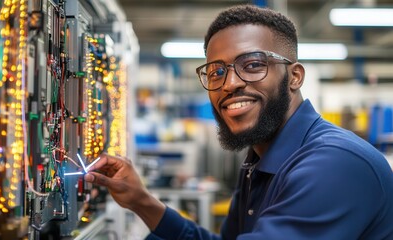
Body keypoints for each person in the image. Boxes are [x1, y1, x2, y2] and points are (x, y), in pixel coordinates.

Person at [84, 4, 393, 239]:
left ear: (294, 77)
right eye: (217, 71)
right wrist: (142, 202)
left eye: (253, 64)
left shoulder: (334, 164)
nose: (230, 83)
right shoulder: (259, 160)